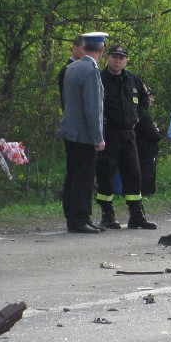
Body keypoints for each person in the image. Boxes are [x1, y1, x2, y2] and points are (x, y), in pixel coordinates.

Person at [95, 44, 157, 230]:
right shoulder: (100, 78)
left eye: (121, 58)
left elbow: (145, 100)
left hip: (129, 133)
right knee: (106, 172)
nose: (117, 60)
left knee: (133, 173)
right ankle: (107, 215)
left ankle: (136, 215)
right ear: (107, 58)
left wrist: (138, 116)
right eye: (114, 56)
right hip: (109, 133)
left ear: (126, 60)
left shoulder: (133, 79)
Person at [57, 32, 107, 233]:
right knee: (84, 177)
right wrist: (98, 137)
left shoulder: (72, 67)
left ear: (85, 47)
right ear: (101, 50)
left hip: (70, 131)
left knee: (73, 175)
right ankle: (80, 219)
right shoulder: (91, 70)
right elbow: (93, 108)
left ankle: (76, 216)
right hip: (84, 134)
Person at [134, 85, 161, 197]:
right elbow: (155, 135)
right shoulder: (142, 113)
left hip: (144, 150)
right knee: (146, 175)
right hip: (144, 151)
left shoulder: (141, 112)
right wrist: (157, 130)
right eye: (151, 97)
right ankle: (145, 195)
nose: (152, 100)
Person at [57, 35, 85, 109]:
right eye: (84, 48)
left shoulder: (81, 68)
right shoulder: (68, 69)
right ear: (74, 48)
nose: (86, 52)